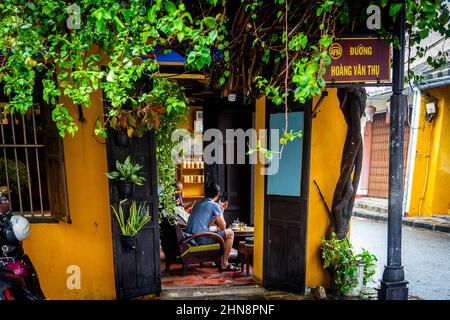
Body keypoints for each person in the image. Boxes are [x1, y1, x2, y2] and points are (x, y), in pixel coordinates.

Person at [186, 182, 238, 271]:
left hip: (191, 238)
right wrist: (222, 210)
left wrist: (216, 214)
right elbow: (223, 226)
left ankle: (217, 259)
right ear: (218, 194)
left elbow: (207, 226)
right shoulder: (214, 205)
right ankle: (225, 263)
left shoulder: (198, 203)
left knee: (213, 228)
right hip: (199, 239)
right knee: (230, 233)